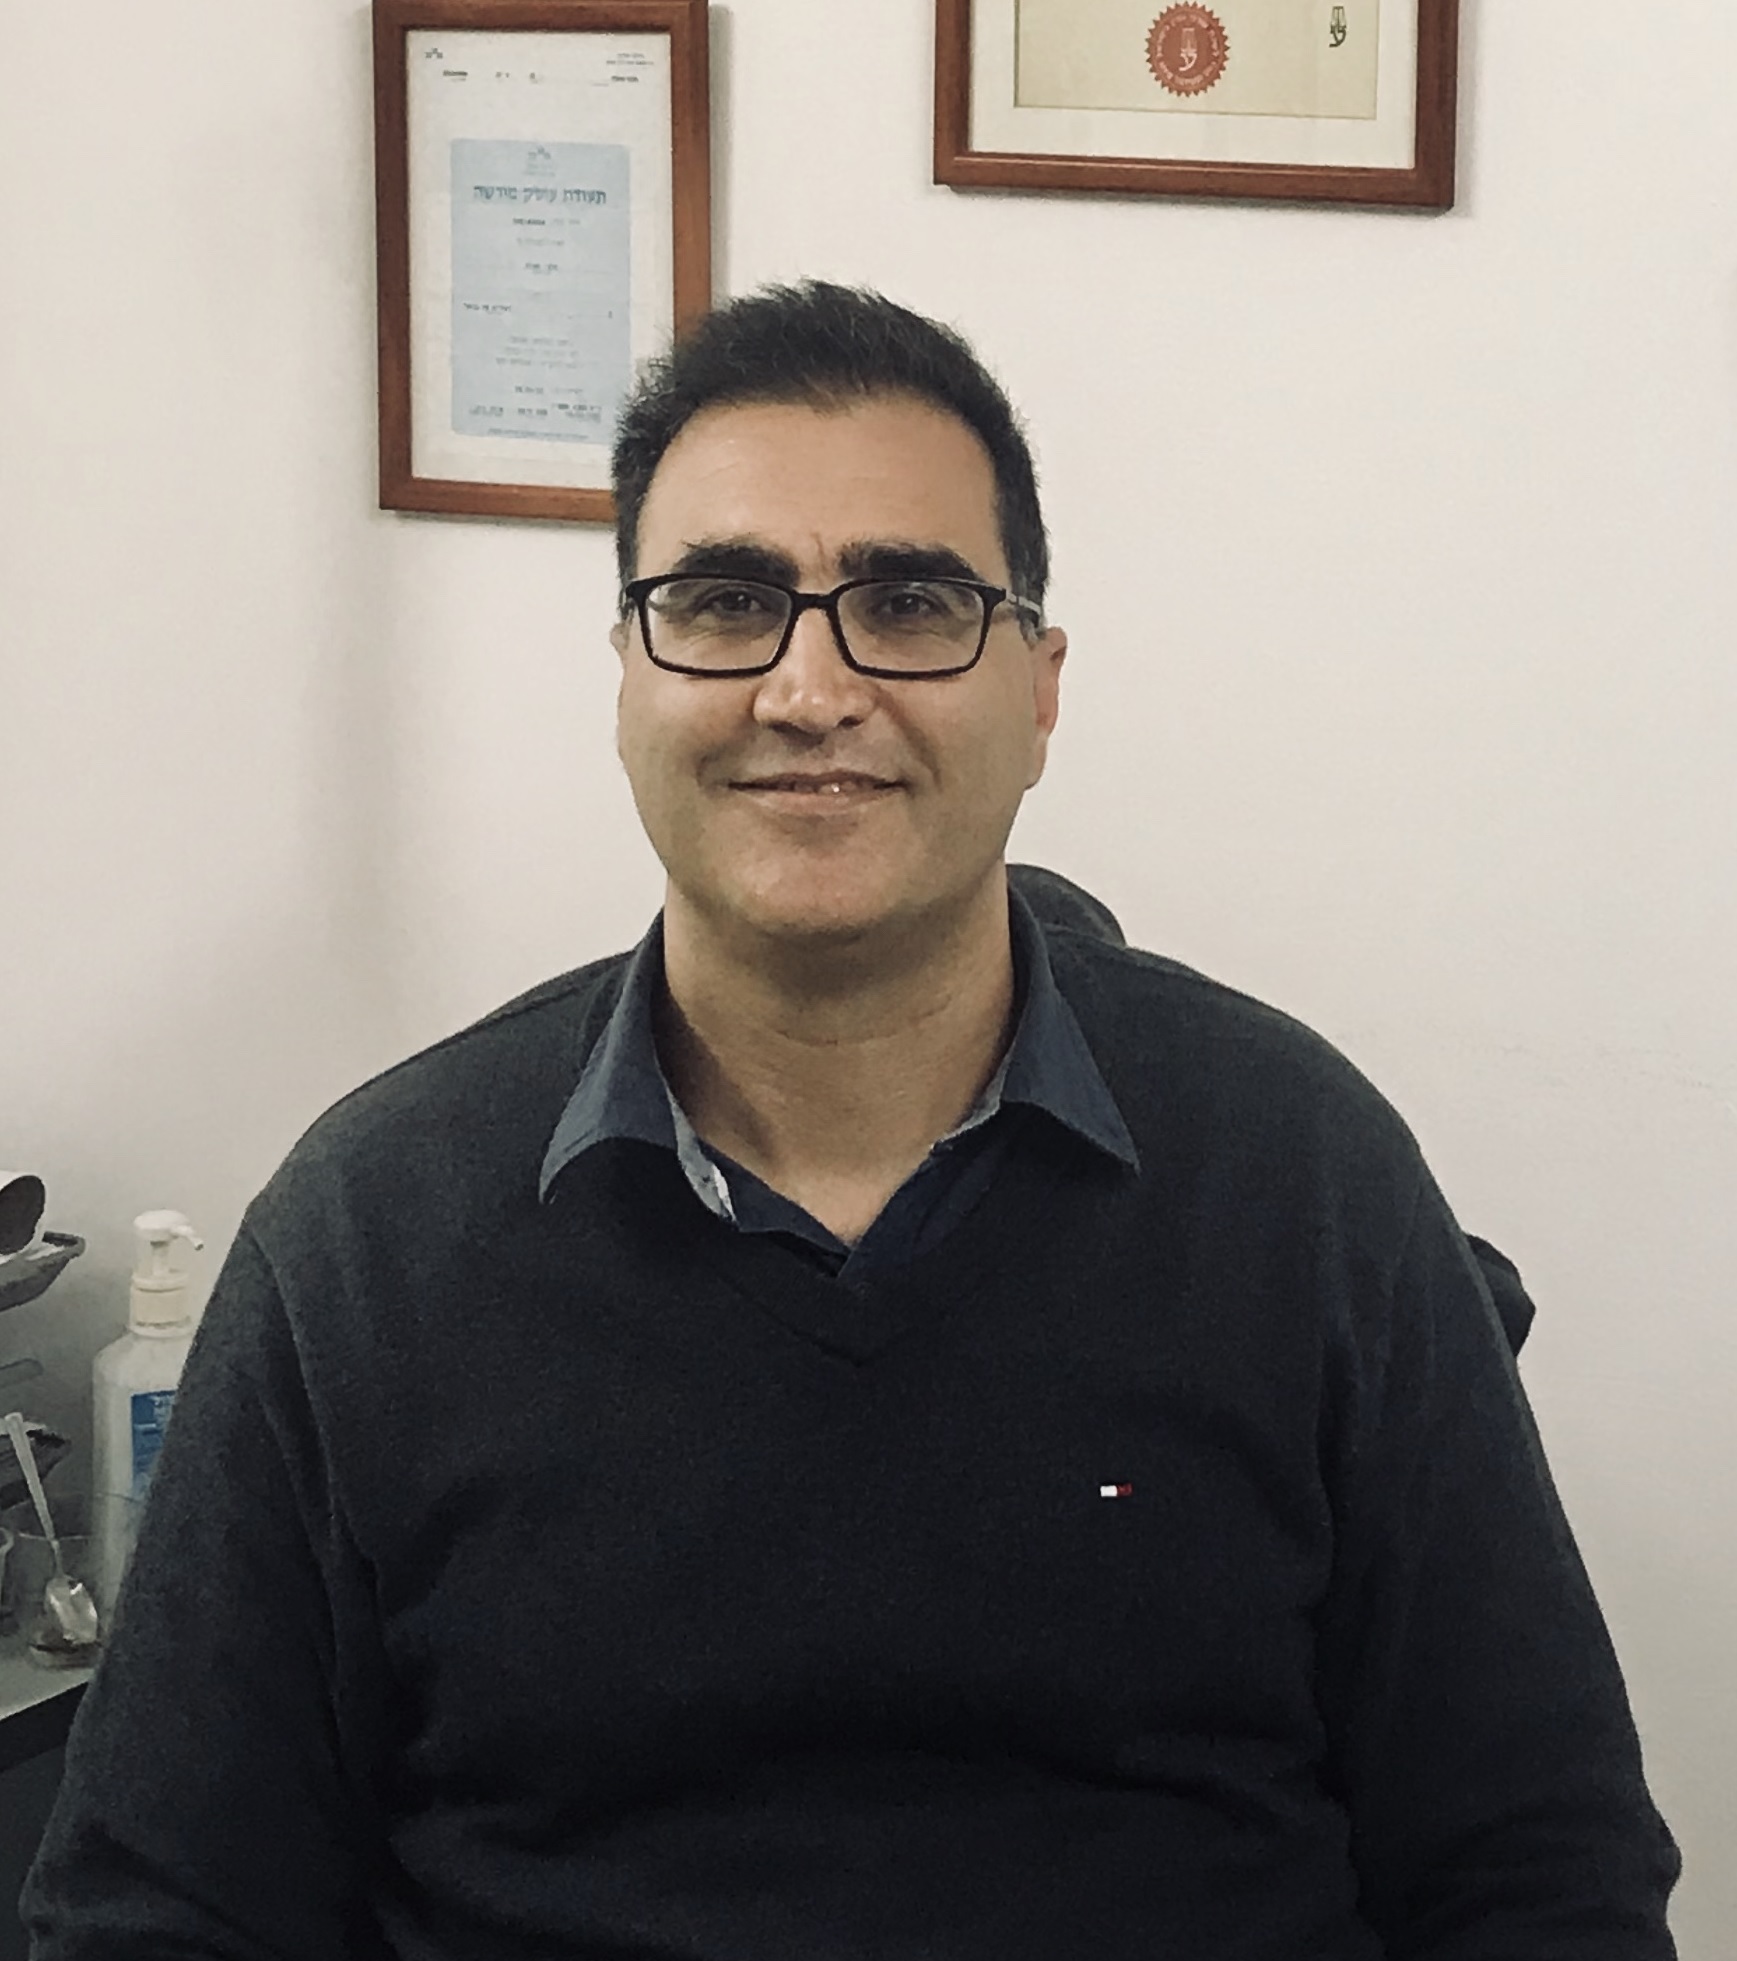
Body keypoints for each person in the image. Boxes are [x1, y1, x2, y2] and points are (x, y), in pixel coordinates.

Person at [25, 283, 1679, 1958]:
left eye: (907, 602)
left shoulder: (1302, 1180)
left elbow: (1539, 1873)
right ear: (626, 675)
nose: (808, 688)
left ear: (1039, 690)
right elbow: (158, 1909)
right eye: (725, 601)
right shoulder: (374, 1236)